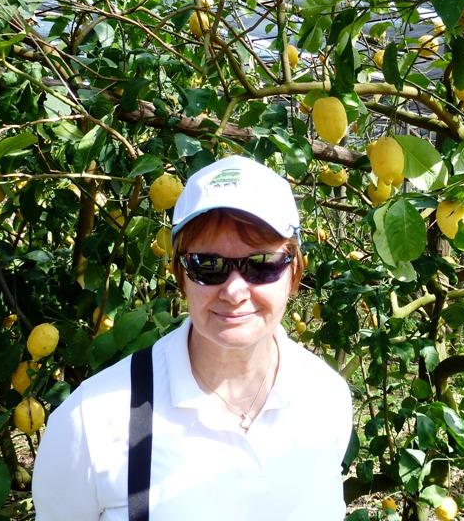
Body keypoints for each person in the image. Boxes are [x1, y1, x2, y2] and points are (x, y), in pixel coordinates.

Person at [32, 155, 354, 521]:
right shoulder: (92, 422)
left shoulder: (326, 398)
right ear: (180, 274)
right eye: (208, 265)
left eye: (261, 263)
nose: (234, 291)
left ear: (294, 270)